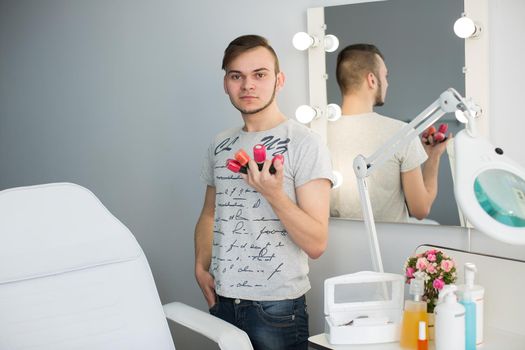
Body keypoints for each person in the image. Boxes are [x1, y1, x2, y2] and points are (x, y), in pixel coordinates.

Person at [194, 34, 334, 350]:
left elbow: (317, 243)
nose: (248, 85)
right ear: (226, 84)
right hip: (223, 300)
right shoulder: (220, 144)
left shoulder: (305, 143)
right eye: (236, 76)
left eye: (259, 74)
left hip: (277, 309)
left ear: (279, 80)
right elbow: (209, 213)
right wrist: (201, 265)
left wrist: (274, 194)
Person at [329, 43, 450, 222]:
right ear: (371, 79)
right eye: (385, 76)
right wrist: (434, 157)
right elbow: (420, 209)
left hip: (337, 248)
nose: (387, 83)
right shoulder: (399, 133)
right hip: (389, 248)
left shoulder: (317, 132)